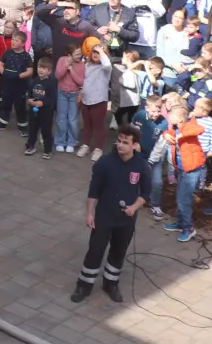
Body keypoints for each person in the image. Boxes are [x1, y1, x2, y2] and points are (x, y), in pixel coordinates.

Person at [70, 125, 150, 304]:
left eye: (125, 142)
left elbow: (145, 193)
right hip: (104, 217)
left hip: (126, 221)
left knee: (118, 252)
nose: (120, 145)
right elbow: (94, 190)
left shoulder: (141, 166)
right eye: (119, 141)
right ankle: (84, 285)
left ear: (134, 145)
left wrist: (134, 208)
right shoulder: (105, 163)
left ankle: (111, 283)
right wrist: (89, 213)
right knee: (95, 250)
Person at [162, 102, 205, 243]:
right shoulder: (176, 128)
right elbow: (169, 133)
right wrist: (166, 135)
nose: (169, 118)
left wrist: (181, 135)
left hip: (191, 170)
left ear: (180, 119)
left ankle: (188, 228)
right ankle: (181, 224)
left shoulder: (190, 125)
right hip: (182, 169)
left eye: (171, 117)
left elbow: (199, 129)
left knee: (183, 200)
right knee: (180, 197)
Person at [77, 40, 114, 160]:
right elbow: (84, 81)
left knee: (98, 126)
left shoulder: (105, 68)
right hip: (86, 100)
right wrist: (80, 94)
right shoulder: (87, 65)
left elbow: (107, 64)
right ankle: (85, 145)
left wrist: (101, 52)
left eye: (99, 52)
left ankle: (98, 148)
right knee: (87, 125)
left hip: (99, 101)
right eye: (94, 51)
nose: (96, 54)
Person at [0, 28, 34, 131]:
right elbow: (1, 64)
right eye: (13, 39)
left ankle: (22, 126)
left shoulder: (26, 56)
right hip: (7, 85)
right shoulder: (8, 53)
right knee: (5, 104)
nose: (13, 42)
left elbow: (30, 71)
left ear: (23, 43)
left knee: (20, 106)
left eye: (17, 40)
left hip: (20, 86)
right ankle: (2, 123)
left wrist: (19, 75)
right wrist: (3, 72)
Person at [26, 57, 58, 158]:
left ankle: (48, 150)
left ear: (49, 71)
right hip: (33, 111)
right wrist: (29, 100)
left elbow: (52, 98)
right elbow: (29, 92)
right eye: (39, 67)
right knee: (32, 129)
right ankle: (30, 146)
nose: (41, 70)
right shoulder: (34, 80)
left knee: (46, 131)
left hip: (46, 112)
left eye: (44, 68)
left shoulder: (51, 83)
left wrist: (43, 103)